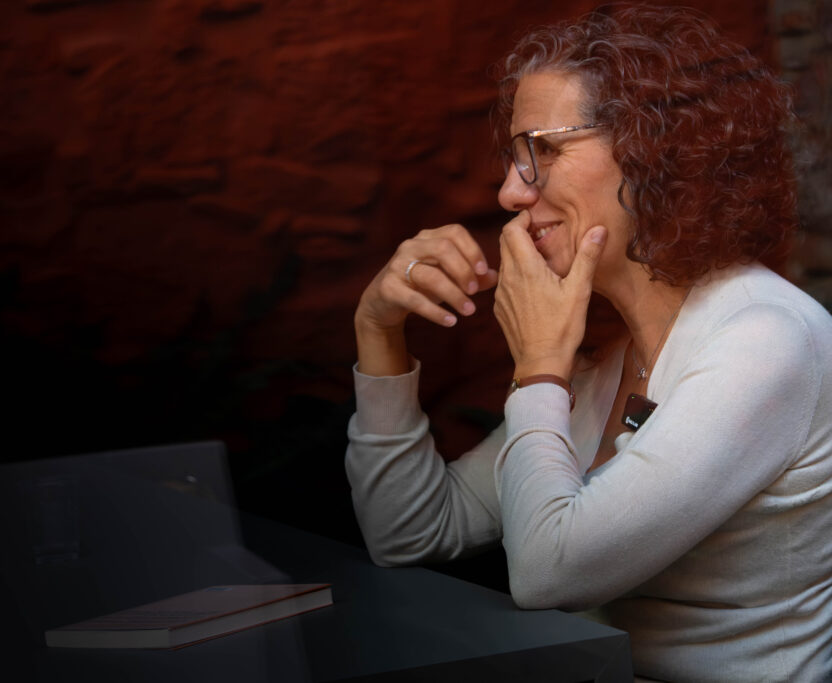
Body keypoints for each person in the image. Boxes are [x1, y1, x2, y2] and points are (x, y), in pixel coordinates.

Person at [345, 5, 832, 681]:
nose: (510, 191)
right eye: (514, 158)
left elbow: (549, 574)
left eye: (541, 150)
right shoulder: (612, 362)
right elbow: (411, 533)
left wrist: (539, 369)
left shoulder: (765, 340)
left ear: (657, 148)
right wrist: (378, 332)